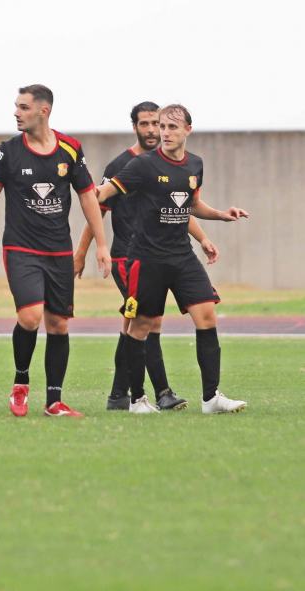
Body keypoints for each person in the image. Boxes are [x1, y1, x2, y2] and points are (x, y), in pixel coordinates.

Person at [96, 104, 248, 414]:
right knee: (141, 326)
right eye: (162, 127)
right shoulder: (142, 166)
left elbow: (191, 204)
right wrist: (77, 187)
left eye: (172, 127)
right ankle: (137, 400)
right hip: (146, 258)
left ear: (188, 130)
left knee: (207, 316)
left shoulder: (195, 164)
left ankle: (211, 398)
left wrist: (219, 216)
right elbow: (102, 193)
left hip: (182, 256)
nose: (164, 132)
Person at [0, 84, 111, 418]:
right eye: (16, 106)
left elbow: (87, 197)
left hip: (59, 251)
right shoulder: (7, 152)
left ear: (43, 110)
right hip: (21, 247)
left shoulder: (70, 148)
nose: (16, 112)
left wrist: (102, 245)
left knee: (59, 325)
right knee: (30, 316)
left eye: (23, 107)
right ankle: (20, 384)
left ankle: (54, 401)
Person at [74, 101, 218, 411]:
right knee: (145, 324)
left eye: (161, 124)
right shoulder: (127, 165)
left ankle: (120, 395)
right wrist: (86, 250)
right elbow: (96, 206)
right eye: (148, 124)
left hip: (172, 254)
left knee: (137, 325)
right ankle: (155, 392)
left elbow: (181, 208)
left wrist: (204, 236)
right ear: (135, 127)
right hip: (130, 257)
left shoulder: (188, 165)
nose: (155, 130)